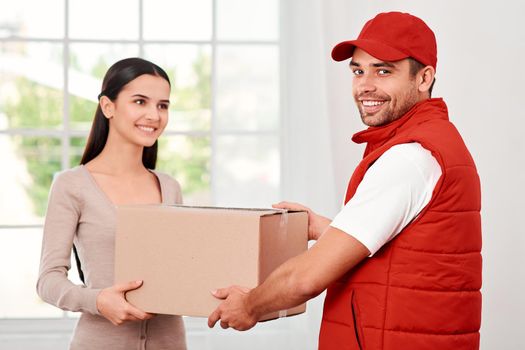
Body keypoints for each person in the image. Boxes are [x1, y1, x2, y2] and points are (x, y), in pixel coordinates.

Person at [207, 11, 482, 350]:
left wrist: (249, 305)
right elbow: (402, 252)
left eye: (384, 70)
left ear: (424, 78)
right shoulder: (429, 143)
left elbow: (305, 278)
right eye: (358, 70)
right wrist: (327, 228)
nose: (365, 84)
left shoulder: (410, 156)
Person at [37, 58, 187, 350]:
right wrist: (98, 300)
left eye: (163, 105)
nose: (154, 115)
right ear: (108, 106)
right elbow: (48, 281)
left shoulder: (170, 187)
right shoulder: (72, 185)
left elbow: (182, 269)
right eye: (140, 101)